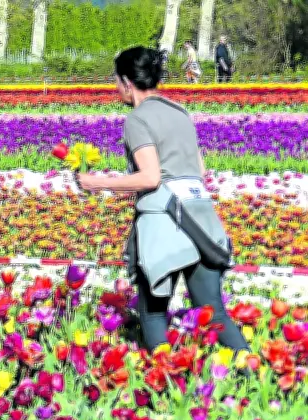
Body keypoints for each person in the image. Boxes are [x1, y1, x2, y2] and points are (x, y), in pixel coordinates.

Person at [77, 47, 249, 355]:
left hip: (163, 223)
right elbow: (199, 170)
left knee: (154, 311)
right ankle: (252, 369)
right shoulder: (180, 112)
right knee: (214, 312)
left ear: (127, 82)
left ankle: (164, 380)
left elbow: (151, 177)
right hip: (201, 220)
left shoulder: (137, 119)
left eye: (116, 81)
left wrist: (97, 182)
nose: (116, 88)